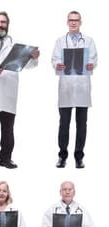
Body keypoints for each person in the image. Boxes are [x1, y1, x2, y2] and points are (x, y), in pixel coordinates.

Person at [0, 11, 39, 169]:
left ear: (7, 24)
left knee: (8, 128)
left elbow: (28, 66)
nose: (0, 25)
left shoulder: (16, 44)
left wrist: (34, 57)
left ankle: (6, 158)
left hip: (9, 90)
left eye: (3, 22)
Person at [52, 11, 98, 169]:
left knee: (82, 124)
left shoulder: (89, 41)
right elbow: (55, 59)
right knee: (64, 124)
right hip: (66, 87)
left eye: (76, 20)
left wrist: (91, 65)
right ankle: (62, 156)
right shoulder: (60, 41)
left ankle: (79, 157)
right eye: (71, 20)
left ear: (80, 22)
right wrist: (57, 65)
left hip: (82, 87)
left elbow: (93, 58)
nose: (73, 23)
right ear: (67, 22)